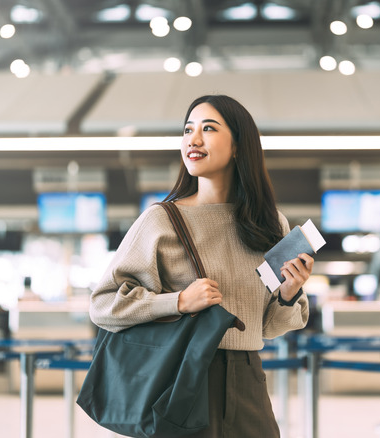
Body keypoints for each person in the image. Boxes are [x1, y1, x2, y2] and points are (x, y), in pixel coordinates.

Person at [89, 94, 312, 437]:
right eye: (188, 129)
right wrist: (178, 301)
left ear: (238, 146)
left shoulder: (270, 224)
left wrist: (287, 293)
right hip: (183, 380)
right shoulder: (160, 220)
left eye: (208, 128)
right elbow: (103, 304)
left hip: (249, 380)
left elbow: (266, 327)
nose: (193, 139)